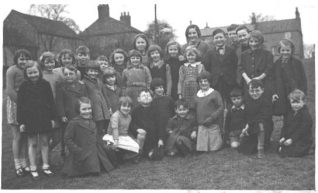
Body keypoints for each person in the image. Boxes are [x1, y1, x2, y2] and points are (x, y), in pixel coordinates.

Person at [17, 61, 56, 179]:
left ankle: (45, 166)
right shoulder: (23, 86)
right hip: (30, 119)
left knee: (44, 142)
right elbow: (20, 105)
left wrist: (53, 118)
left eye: (35, 72)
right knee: (32, 143)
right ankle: (33, 167)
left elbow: (51, 102)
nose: (33, 75)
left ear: (39, 71)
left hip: (44, 117)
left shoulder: (45, 84)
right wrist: (21, 122)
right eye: (30, 73)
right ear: (26, 74)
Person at [238, 30, 274, 148]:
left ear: (260, 42)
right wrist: (247, 79)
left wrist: (259, 79)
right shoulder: (244, 54)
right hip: (248, 86)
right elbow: (241, 68)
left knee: (264, 112)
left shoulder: (267, 54)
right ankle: (252, 135)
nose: (253, 44)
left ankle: (266, 137)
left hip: (263, 86)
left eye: (256, 41)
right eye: (251, 41)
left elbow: (269, 68)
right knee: (251, 111)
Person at [62, 97, 115, 177]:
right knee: (85, 168)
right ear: (78, 110)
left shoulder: (92, 121)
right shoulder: (73, 123)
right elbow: (67, 139)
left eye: (89, 108)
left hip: (94, 150)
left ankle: (97, 165)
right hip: (81, 152)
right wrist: (77, 150)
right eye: (84, 109)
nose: (87, 111)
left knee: (109, 157)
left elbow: (95, 136)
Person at [6, 49, 31, 176]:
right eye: (21, 59)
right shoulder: (11, 70)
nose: (24, 61)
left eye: (26, 59)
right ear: (16, 59)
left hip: (27, 105)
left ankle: (24, 162)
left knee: (26, 134)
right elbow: (9, 90)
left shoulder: (28, 70)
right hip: (15, 104)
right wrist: (21, 105)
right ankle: (17, 164)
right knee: (17, 136)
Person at [56, 65, 88, 157]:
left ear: (76, 74)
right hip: (68, 115)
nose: (68, 76)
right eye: (66, 74)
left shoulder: (81, 85)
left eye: (71, 74)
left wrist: (86, 111)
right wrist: (62, 115)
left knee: (79, 134)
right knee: (67, 135)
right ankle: (64, 152)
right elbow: (59, 102)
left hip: (80, 113)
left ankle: (80, 152)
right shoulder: (61, 86)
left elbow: (85, 98)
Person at [272, 39, 307, 117]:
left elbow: (303, 79)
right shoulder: (276, 64)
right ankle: (287, 127)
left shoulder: (297, 63)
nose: (285, 52)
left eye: (288, 50)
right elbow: (274, 79)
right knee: (286, 113)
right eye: (283, 50)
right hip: (282, 91)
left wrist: (303, 92)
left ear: (291, 51)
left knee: (297, 110)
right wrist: (274, 92)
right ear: (279, 51)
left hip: (294, 90)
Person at [203, 28, 238, 107]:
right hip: (216, 83)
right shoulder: (210, 52)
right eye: (216, 38)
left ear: (225, 38)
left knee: (230, 103)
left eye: (221, 37)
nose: (219, 40)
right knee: (218, 104)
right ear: (213, 40)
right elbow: (207, 66)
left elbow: (235, 64)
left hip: (229, 82)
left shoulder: (231, 51)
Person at [238, 80, 272, 158]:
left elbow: (264, 116)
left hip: (264, 125)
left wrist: (249, 125)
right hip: (251, 125)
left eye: (257, 90)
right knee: (246, 149)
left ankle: (260, 148)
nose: (254, 93)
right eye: (252, 91)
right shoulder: (247, 101)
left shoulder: (266, 101)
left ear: (262, 90)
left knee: (260, 125)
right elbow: (245, 115)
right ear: (248, 91)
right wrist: (246, 125)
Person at [278, 89, 313, 157]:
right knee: (281, 145)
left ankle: (305, 149)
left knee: (295, 151)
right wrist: (283, 136)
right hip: (290, 136)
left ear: (303, 102)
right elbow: (285, 126)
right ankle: (284, 147)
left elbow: (302, 130)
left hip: (302, 138)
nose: (295, 105)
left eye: (298, 102)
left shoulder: (306, 115)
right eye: (293, 103)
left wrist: (292, 139)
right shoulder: (289, 112)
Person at [194, 71, 223, 152]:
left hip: (213, 124)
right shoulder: (197, 95)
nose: (203, 83)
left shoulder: (215, 93)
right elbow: (194, 109)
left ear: (209, 82)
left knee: (214, 148)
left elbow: (220, 107)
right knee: (202, 149)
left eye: (205, 81)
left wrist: (212, 118)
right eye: (201, 82)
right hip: (202, 125)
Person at [104, 96, 139, 163]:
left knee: (137, 148)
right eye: (124, 106)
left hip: (124, 136)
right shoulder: (115, 116)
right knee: (112, 146)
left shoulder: (129, 117)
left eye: (128, 106)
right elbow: (115, 129)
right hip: (113, 136)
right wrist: (116, 140)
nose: (126, 108)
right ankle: (117, 156)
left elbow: (127, 130)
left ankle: (122, 156)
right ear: (119, 106)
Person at [82, 61, 111, 140]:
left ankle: (103, 146)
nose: (93, 73)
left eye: (95, 71)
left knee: (105, 129)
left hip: (104, 109)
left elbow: (105, 95)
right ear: (87, 71)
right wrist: (89, 110)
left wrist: (109, 107)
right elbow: (85, 98)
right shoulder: (84, 82)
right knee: (96, 129)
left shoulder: (99, 81)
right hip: (94, 109)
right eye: (91, 71)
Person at [129, 89, 157, 160]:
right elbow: (132, 123)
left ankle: (150, 151)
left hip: (153, 136)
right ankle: (138, 153)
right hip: (141, 135)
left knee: (154, 156)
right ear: (138, 99)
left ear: (152, 98)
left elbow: (159, 123)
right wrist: (137, 129)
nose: (146, 97)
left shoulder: (156, 109)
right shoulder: (135, 110)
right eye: (144, 96)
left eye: (148, 95)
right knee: (140, 137)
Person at [150, 78, 175, 151]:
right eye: (157, 88)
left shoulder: (168, 99)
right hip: (158, 125)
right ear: (153, 90)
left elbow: (173, 111)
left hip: (168, 123)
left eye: (161, 87)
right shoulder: (153, 101)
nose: (159, 90)